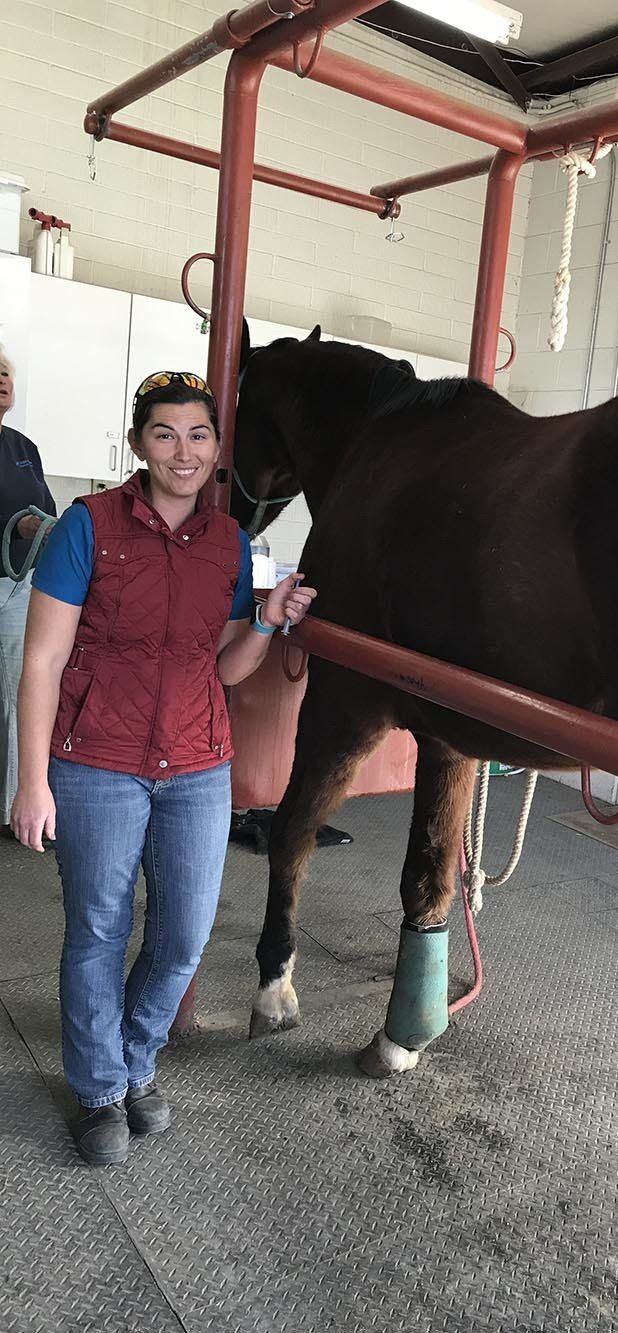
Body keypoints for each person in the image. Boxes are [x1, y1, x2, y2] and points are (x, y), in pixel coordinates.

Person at [11, 370, 315, 1167]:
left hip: (196, 763)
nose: (184, 451)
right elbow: (41, 661)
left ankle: (135, 1059)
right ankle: (100, 1087)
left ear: (217, 450)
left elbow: (228, 668)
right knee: (98, 932)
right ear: (140, 443)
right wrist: (31, 779)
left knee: (184, 934)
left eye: (199, 435)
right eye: (165, 434)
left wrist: (271, 622)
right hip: (97, 760)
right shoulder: (88, 527)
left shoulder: (232, 544)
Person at [0, 349, 56, 833]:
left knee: (20, 692)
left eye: (5, 374)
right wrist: (12, 528)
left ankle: (18, 810)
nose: (1, 380)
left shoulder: (23, 447)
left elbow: (47, 508)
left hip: (20, 586)